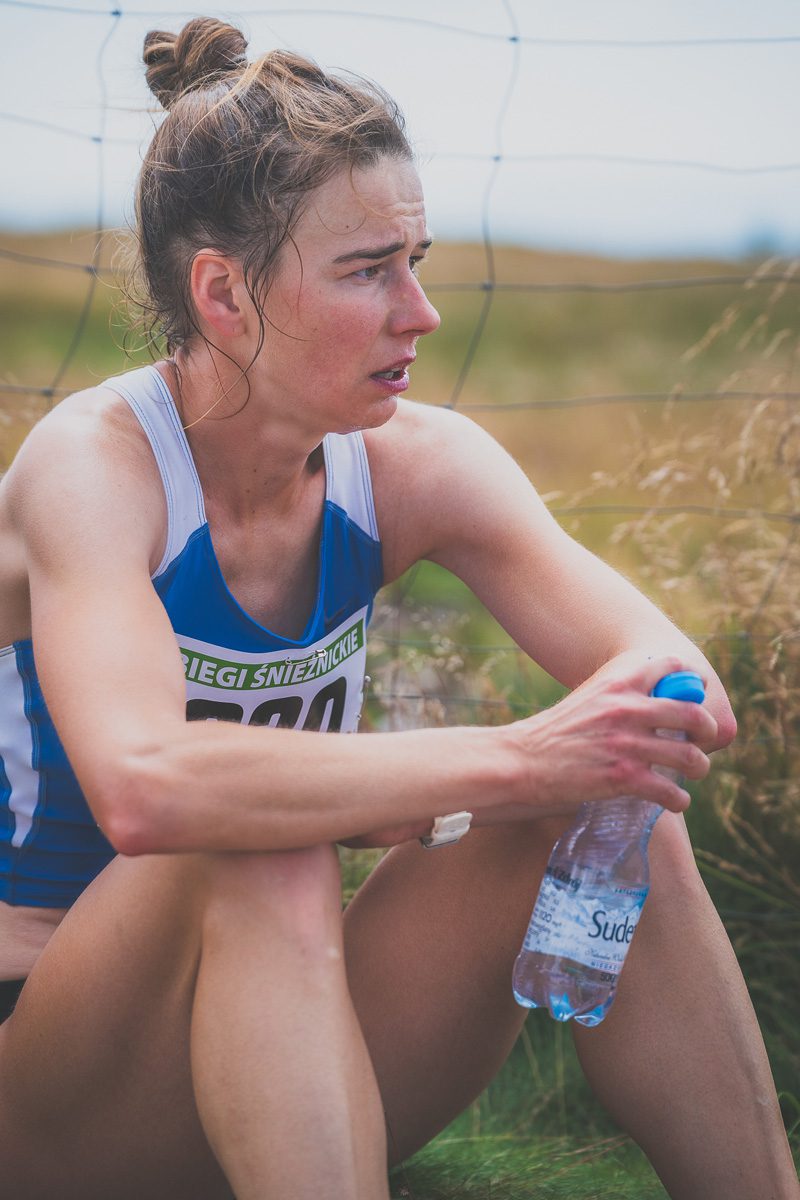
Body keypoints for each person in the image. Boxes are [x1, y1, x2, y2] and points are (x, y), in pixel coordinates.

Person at [0, 18, 796, 1200]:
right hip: (52, 1075)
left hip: (284, 1031)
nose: (419, 312)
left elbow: (680, 691)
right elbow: (147, 786)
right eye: (368, 270)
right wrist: (509, 759)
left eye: (415, 260)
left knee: (611, 785)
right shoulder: (96, 470)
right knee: (258, 850)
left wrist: (587, 753)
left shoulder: (415, 464)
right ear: (222, 293)